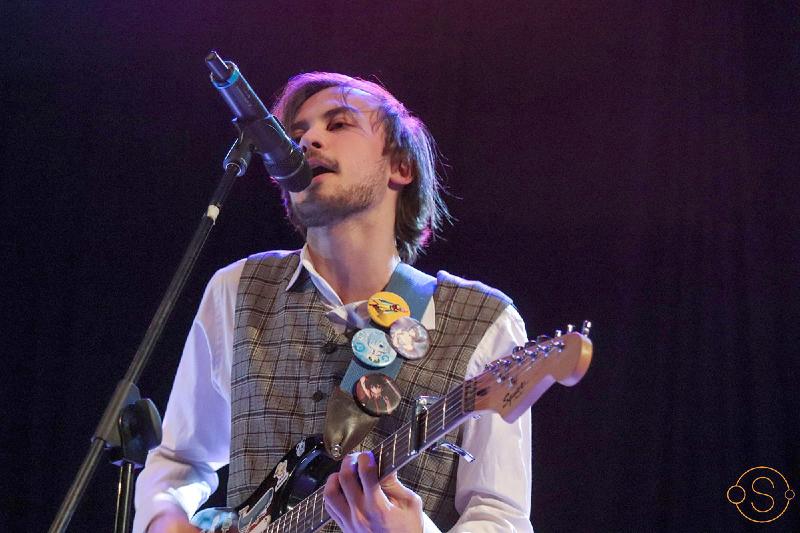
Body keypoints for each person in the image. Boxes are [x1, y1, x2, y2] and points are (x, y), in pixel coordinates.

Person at [133, 72, 533, 533]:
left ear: (401, 167)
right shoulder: (237, 289)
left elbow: (502, 517)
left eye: (339, 124)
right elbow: (178, 459)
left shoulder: (484, 320)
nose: (308, 141)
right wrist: (164, 519)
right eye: (296, 134)